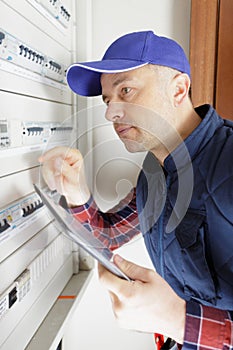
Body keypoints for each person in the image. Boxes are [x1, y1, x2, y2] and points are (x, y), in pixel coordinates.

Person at [39, 31, 233, 349]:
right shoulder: (152, 175)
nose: (110, 112)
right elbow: (108, 235)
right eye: (107, 100)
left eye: (125, 90)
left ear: (179, 89)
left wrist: (177, 320)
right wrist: (76, 191)